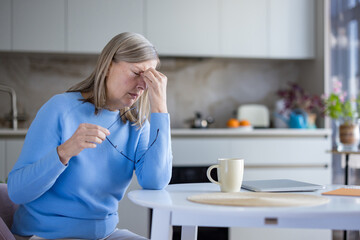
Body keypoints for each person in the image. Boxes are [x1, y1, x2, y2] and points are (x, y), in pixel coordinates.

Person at [7, 32, 172, 240]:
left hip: (106, 235)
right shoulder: (60, 109)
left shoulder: (136, 124)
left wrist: (160, 108)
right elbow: (16, 192)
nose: (142, 85)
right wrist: (64, 152)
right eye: (137, 73)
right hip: (44, 235)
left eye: (149, 78)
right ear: (108, 66)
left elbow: (155, 182)